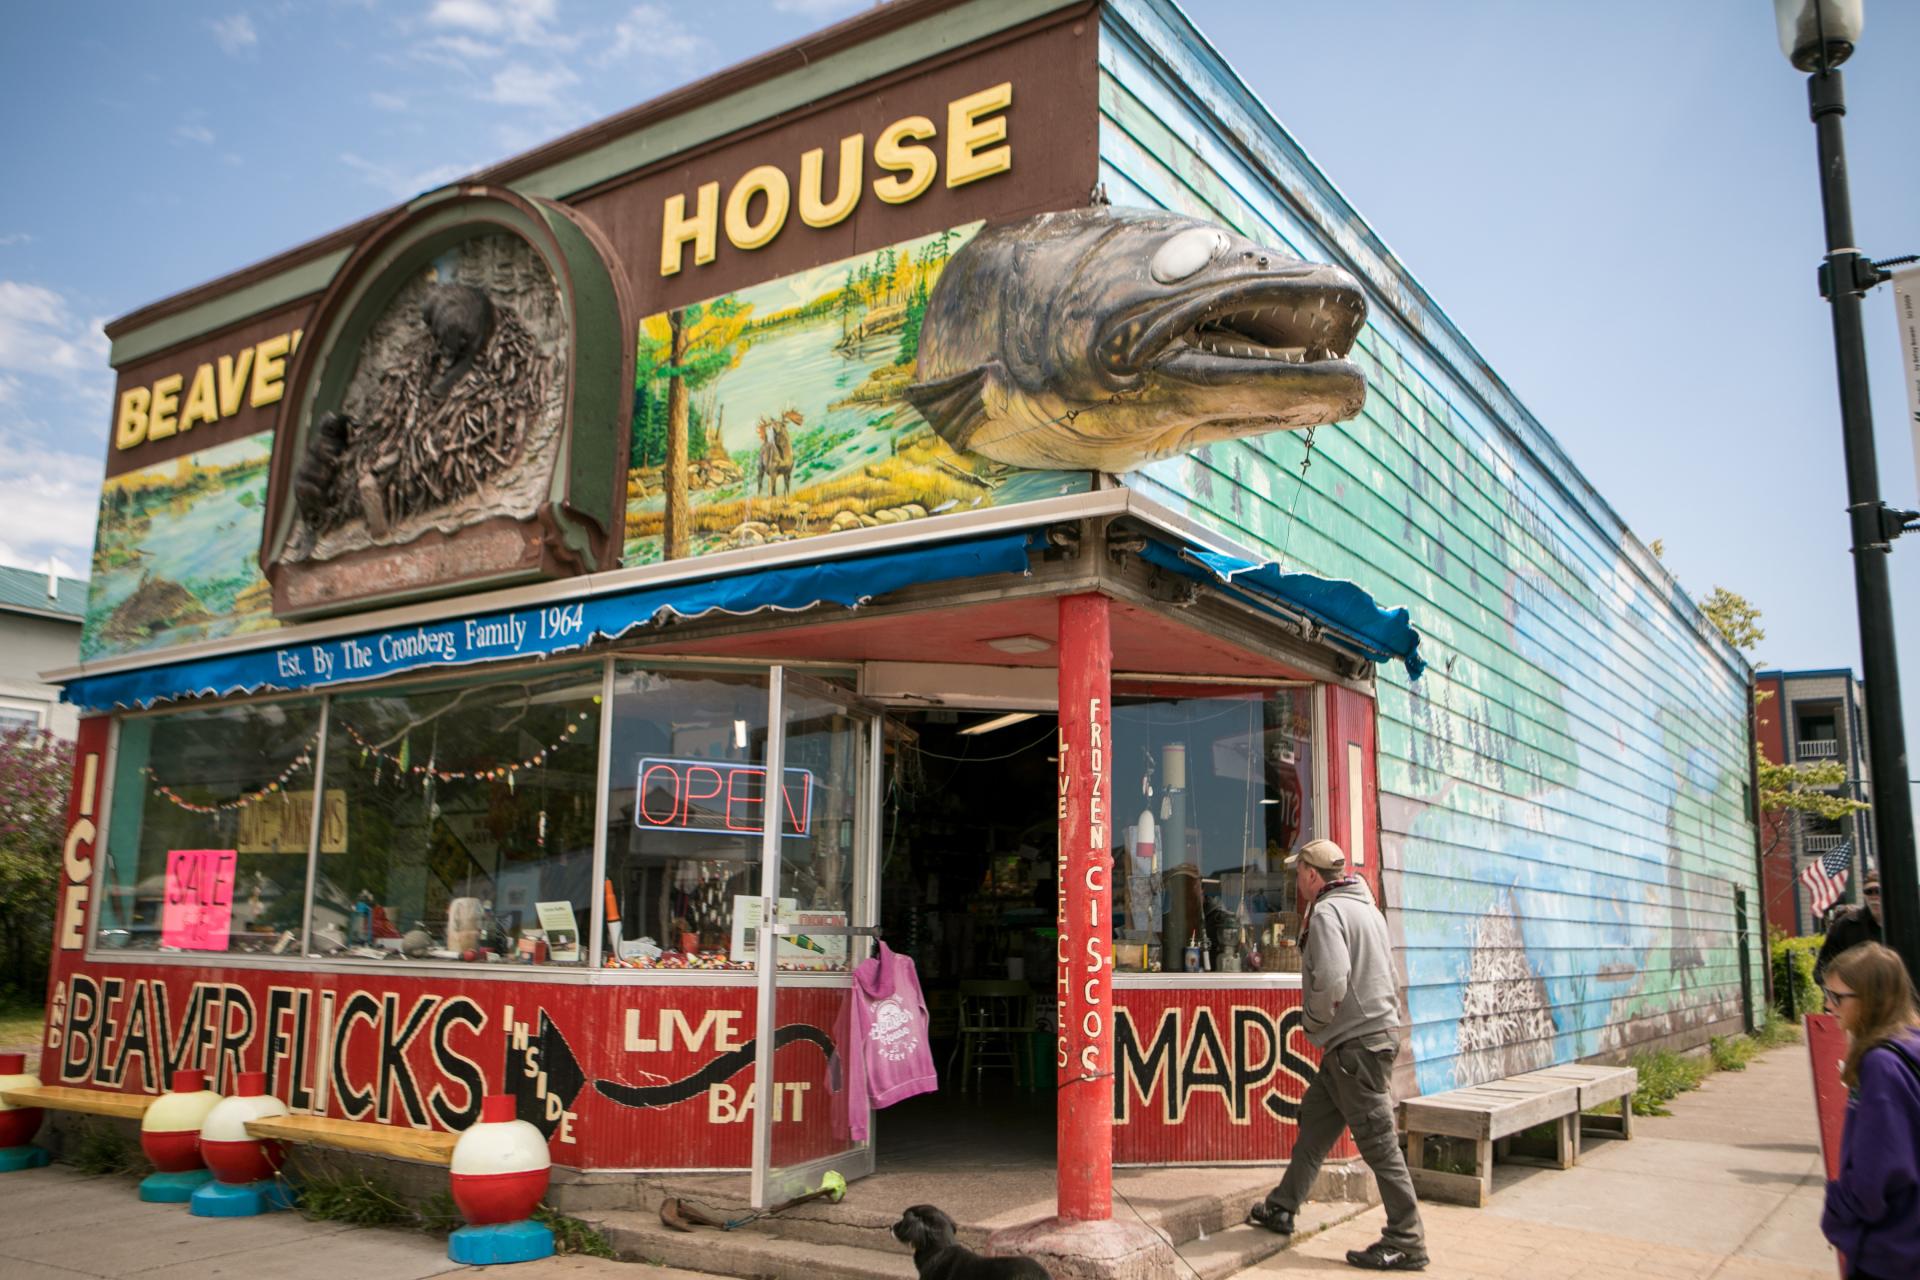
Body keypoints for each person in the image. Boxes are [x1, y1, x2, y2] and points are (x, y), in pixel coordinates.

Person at [1247, 839, 1427, 1271]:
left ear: (1311, 874)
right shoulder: (1365, 906)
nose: (1297, 882)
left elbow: (1331, 981)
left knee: (1379, 1144)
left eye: (1298, 874)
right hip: (1366, 1040)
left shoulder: (1327, 912)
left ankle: (1407, 1239)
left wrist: (1313, 1022)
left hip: (1355, 1046)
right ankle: (1283, 1206)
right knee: (1315, 1123)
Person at [1818, 941, 1920, 1279]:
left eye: (1837, 997)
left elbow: (1877, 1171)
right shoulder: (1911, 1043)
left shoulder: (1880, 1064)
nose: (1827, 1005)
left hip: (1889, 1250)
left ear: (1872, 1000)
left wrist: (1836, 1211)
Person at [1815, 872, 1883, 983]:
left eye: (1878, 891)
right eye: (1869, 891)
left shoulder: (1903, 924)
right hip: (1858, 995)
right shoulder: (1846, 925)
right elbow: (1822, 968)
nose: (1874, 896)